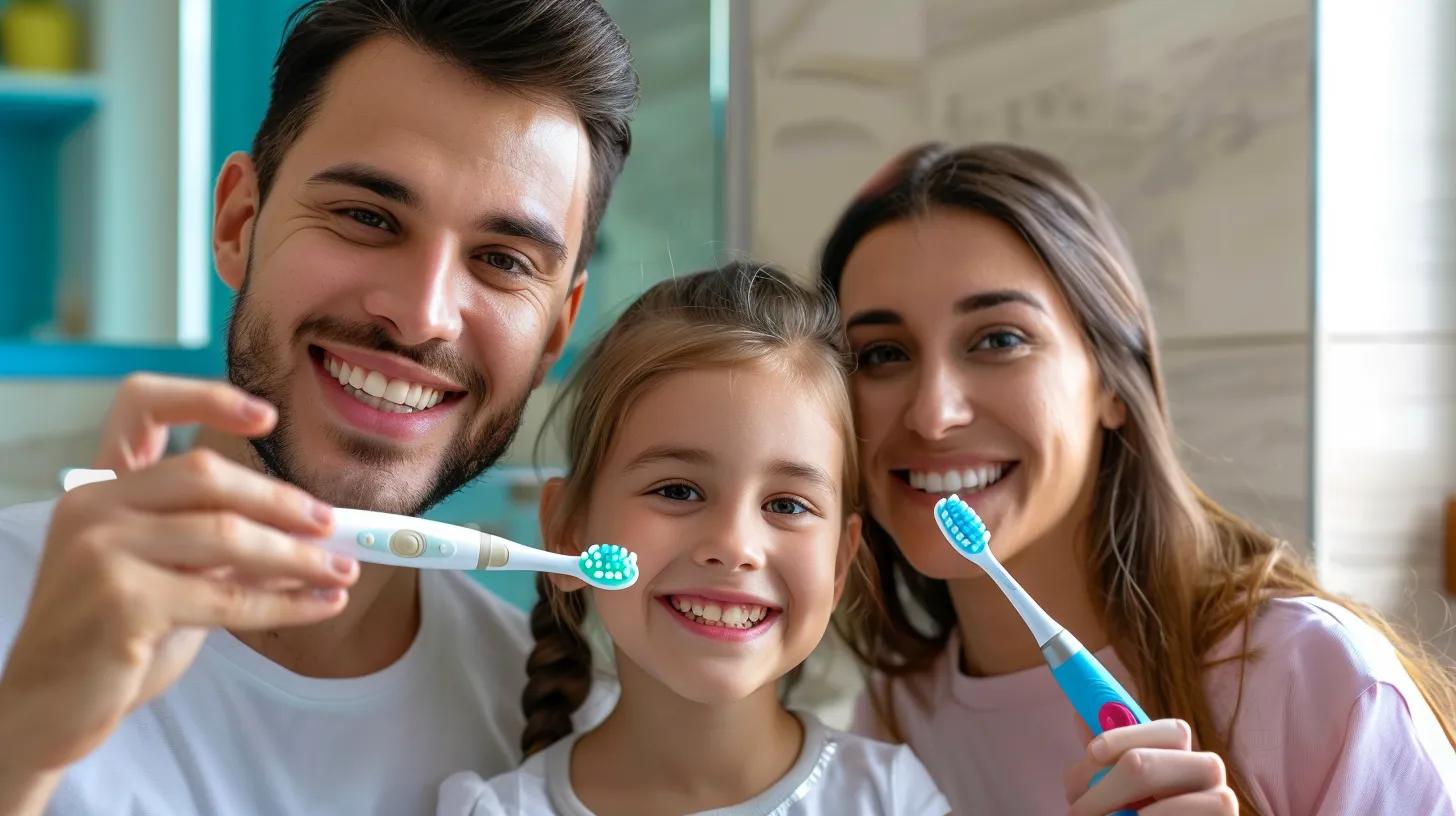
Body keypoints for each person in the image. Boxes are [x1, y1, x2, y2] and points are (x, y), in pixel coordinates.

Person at [0, 1, 637, 813]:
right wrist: (19, 743)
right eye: (368, 217)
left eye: (503, 260)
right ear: (239, 222)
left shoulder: (575, 743)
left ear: (556, 331)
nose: (422, 314)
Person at [822, 142, 1456, 814]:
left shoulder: (1310, 675)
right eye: (881, 354)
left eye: (998, 339)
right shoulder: (894, 721)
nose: (933, 413)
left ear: (1113, 384)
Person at [438, 262, 949, 814]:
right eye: (678, 491)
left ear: (840, 560)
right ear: (566, 530)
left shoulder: (892, 798)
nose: (734, 545)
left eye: (786, 505)